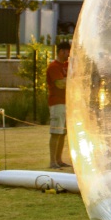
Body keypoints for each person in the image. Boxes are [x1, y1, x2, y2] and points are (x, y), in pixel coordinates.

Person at [47, 41, 71, 169]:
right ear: (62, 51)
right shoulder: (53, 67)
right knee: (56, 131)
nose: (69, 54)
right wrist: (71, 79)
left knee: (63, 133)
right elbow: (59, 83)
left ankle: (59, 159)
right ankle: (52, 161)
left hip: (67, 102)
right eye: (67, 51)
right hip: (57, 103)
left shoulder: (68, 65)